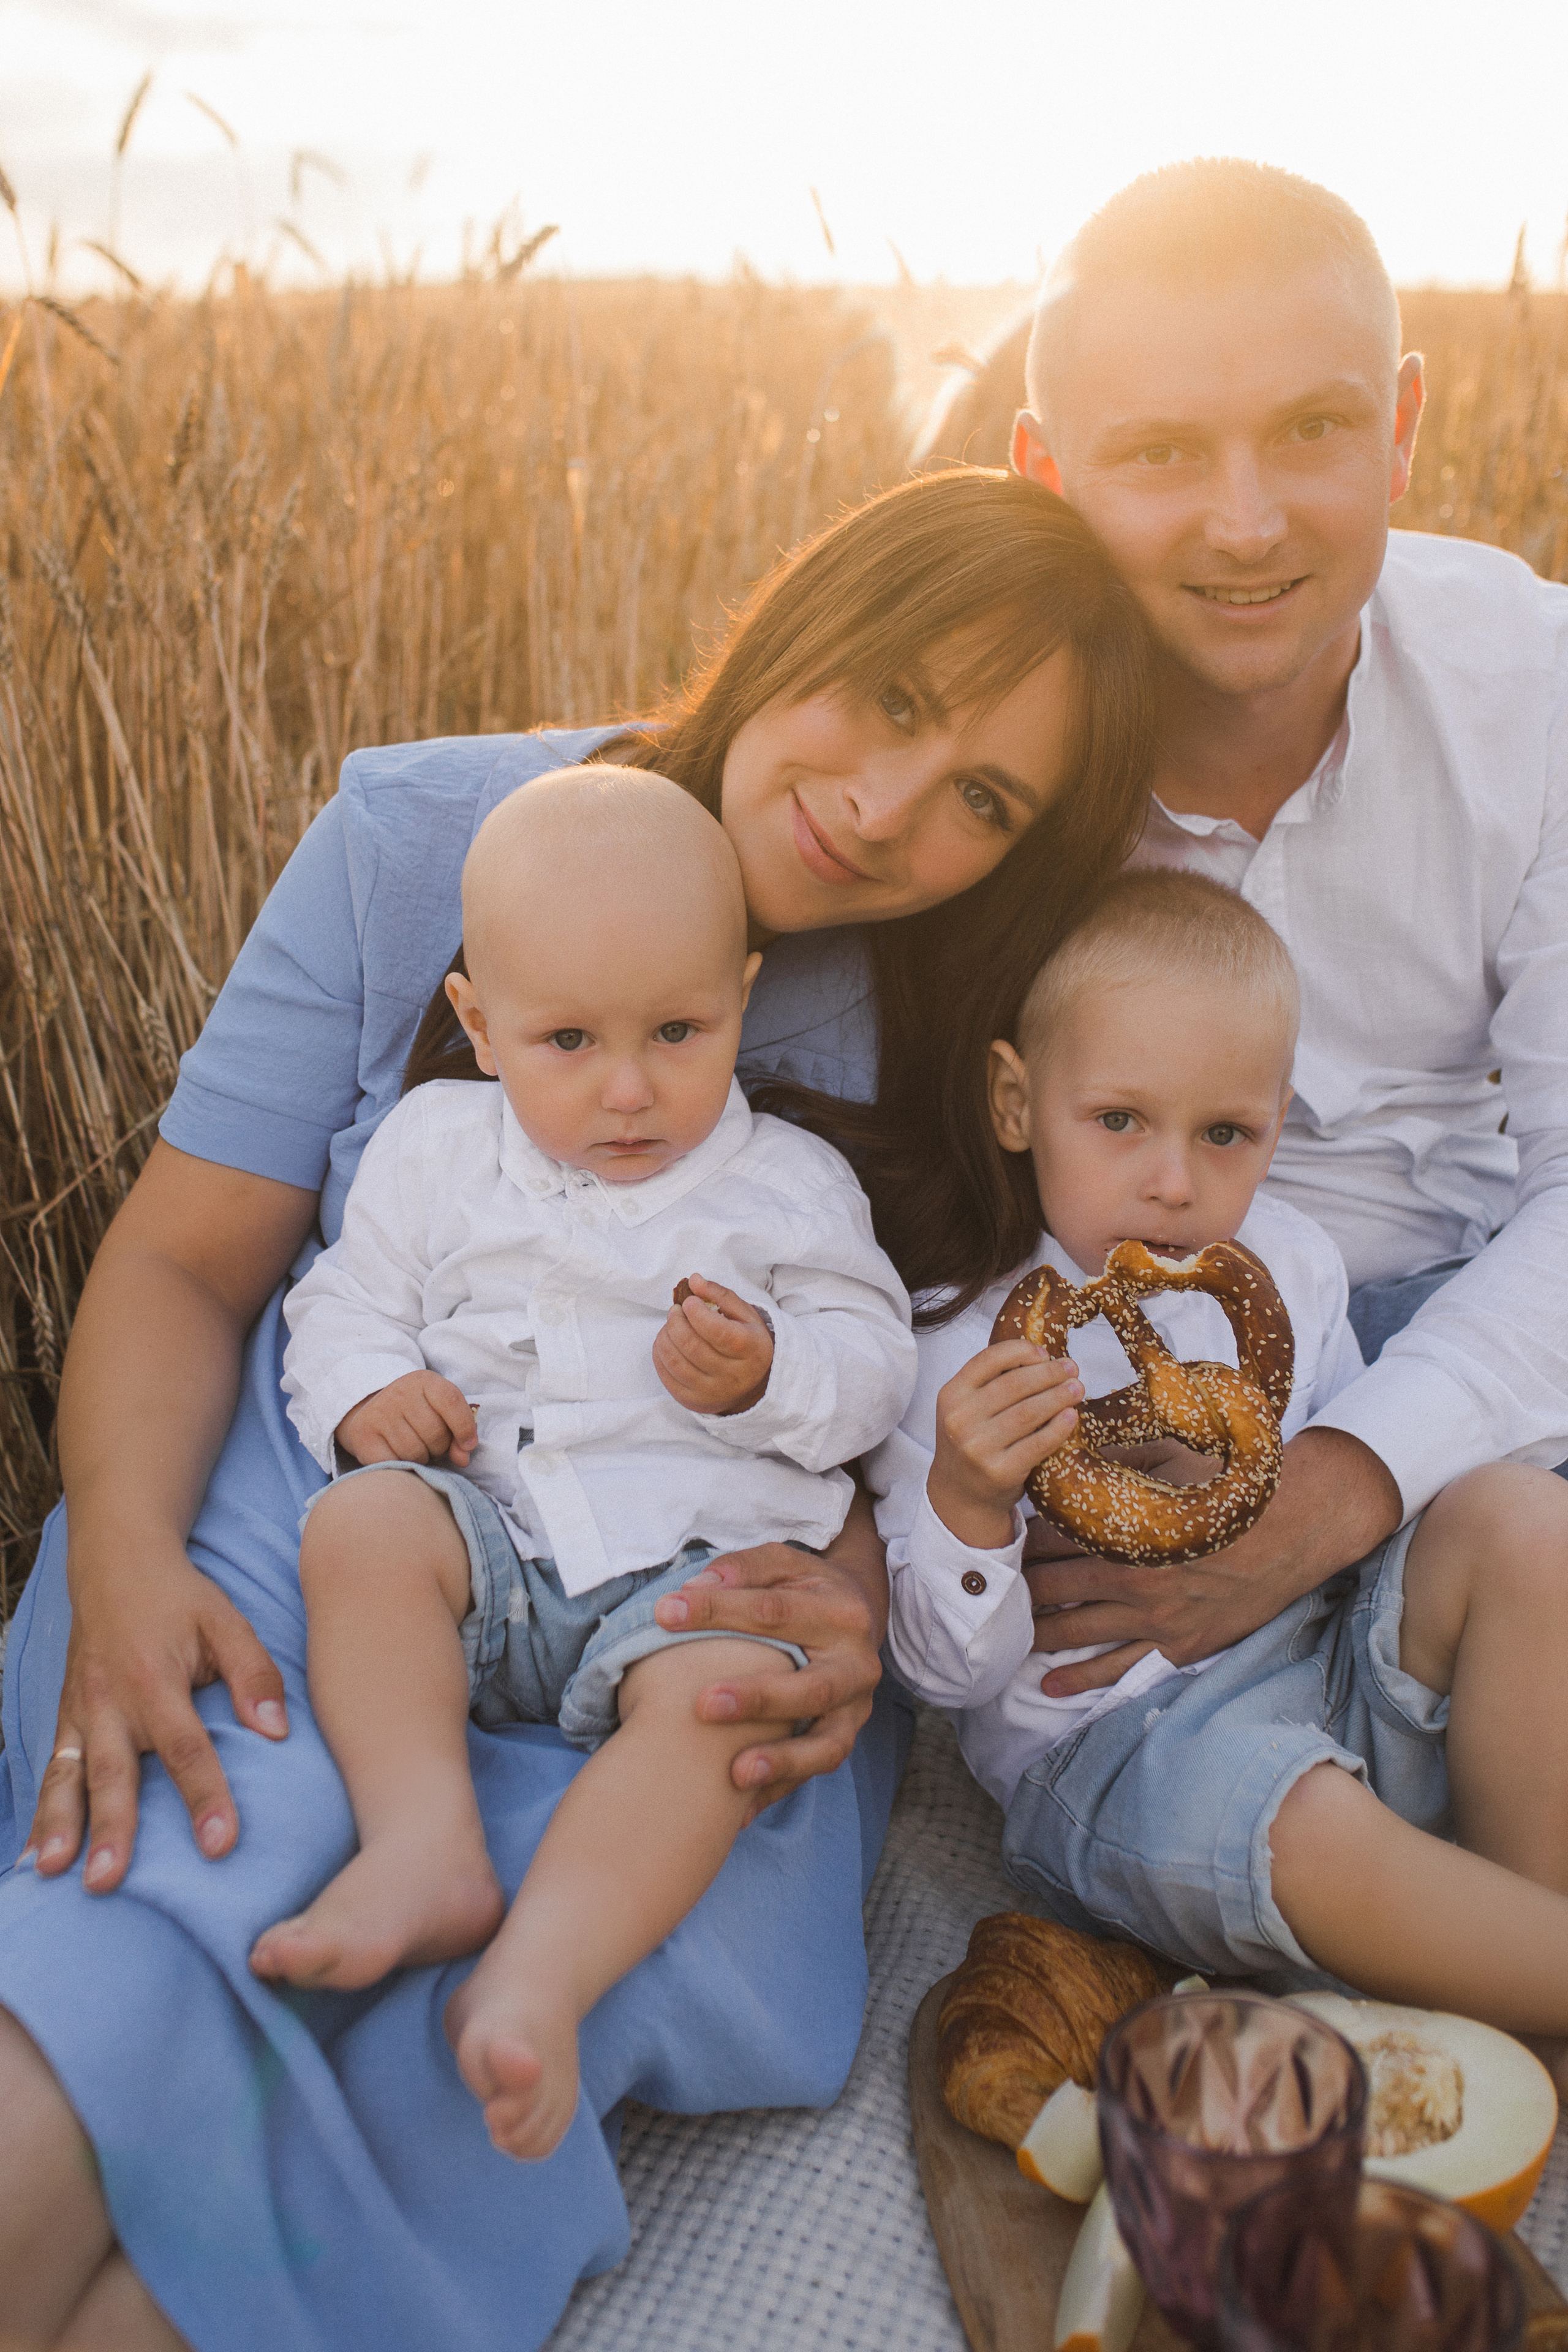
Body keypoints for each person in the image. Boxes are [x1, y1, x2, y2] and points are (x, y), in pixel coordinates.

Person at [0, 467, 1153, 2352]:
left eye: (985, 801)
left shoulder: (977, 1030)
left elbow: (898, 1378)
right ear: (806, 615)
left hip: (703, 1566)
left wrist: (855, 1571)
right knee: (175, 1896)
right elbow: (186, 1264)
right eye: (892, 695)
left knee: (503, 2023)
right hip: (364, 1502)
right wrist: (124, 1556)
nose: (882, 809)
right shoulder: (427, 835)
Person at [258, 768, 917, 2167]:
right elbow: (343, 1302)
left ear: (742, 994)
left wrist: (771, 1376)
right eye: (567, 1040)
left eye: (679, 1030)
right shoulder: (435, 1151)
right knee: (364, 1528)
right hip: (489, 1545)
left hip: (688, 1576)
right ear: (479, 1028)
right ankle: (420, 1841)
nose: (630, 1089)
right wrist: (372, 1394)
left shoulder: (785, 1183)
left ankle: (541, 1978)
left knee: (728, 1700)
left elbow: (871, 1363)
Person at [1007, 159, 1568, 1722]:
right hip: (1107, 1378)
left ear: (1397, 429)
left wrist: (1338, 1482)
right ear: (1047, 475)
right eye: (1162, 453)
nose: (1244, 524)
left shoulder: (1535, 692)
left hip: (1481, 1315)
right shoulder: (987, 752)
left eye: (1310, 431)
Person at [868, 869, 1568, 2022]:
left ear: (1277, 1122)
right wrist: (969, 1502)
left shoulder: (1288, 1264)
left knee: (1523, 1516)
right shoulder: (958, 1346)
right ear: (1015, 1101)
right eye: (1120, 1122)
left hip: (1327, 1661)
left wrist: (1241, 1489)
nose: (1176, 1183)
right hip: (1127, 1754)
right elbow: (946, 1677)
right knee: (1304, 1823)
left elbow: (1345, 1523)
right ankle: (1534, 1975)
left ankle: (1519, 1969)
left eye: (1227, 1132)